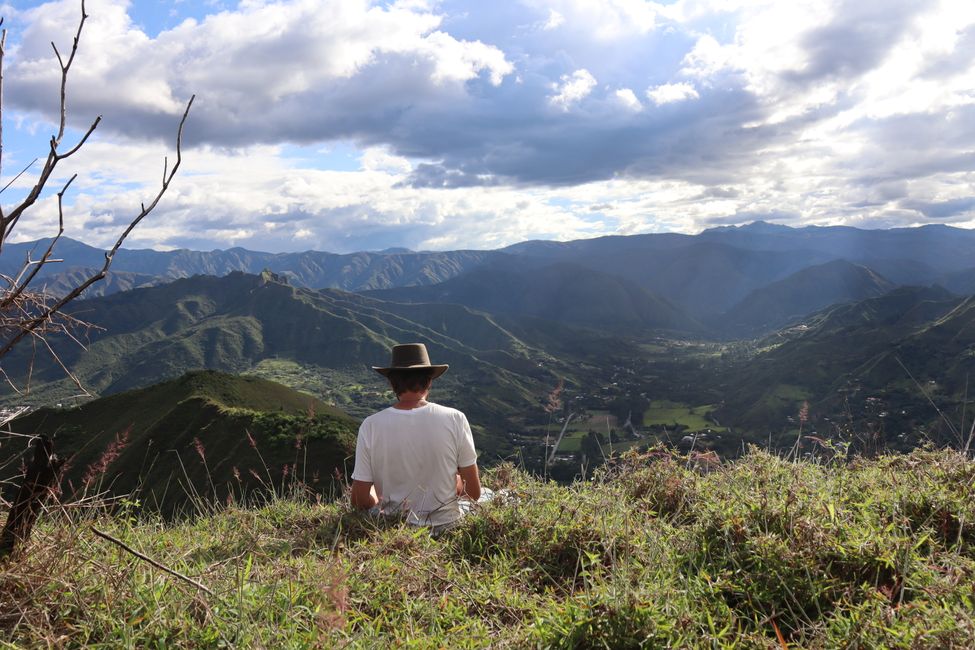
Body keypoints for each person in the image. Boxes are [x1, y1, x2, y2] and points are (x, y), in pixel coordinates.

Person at [350, 343, 481, 532]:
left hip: (393, 528)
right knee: (488, 494)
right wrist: (456, 483)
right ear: (429, 381)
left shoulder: (370, 425)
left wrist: (375, 496)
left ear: (391, 382)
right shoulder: (455, 418)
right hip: (447, 526)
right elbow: (473, 494)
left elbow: (359, 501)